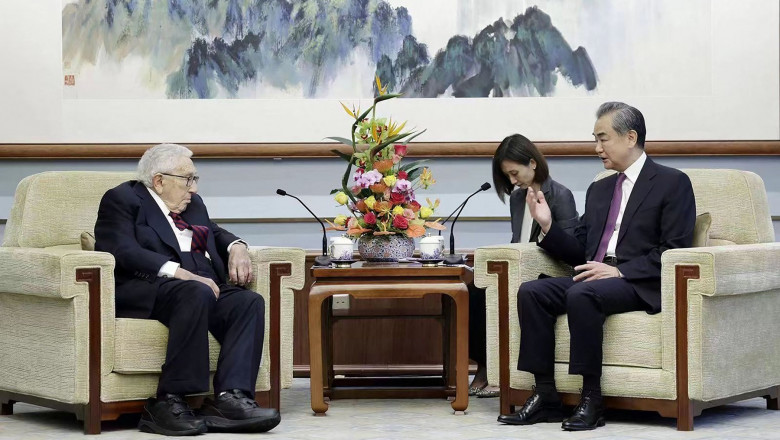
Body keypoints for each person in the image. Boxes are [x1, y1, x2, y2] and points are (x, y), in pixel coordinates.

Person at [497, 102, 696, 431]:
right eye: (595, 139)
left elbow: (675, 248)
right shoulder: (601, 188)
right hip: (595, 277)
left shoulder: (672, 183)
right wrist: (547, 226)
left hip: (638, 281)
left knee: (583, 294)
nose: (597, 147)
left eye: (603, 139)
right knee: (532, 292)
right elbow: (581, 251)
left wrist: (619, 271)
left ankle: (592, 398)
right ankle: (546, 396)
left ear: (630, 137)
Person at [94, 143, 280, 436]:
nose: (193, 188)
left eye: (195, 179)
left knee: (248, 301)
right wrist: (180, 273)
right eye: (187, 179)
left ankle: (229, 398)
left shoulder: (193, 204)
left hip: (203, 287)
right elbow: (119, 248)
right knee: (196, 291)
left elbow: (215, 232)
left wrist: (238, 246)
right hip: (152, 287)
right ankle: (168, 401)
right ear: (159, 180)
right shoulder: (124, 199)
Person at [468, 134, 578, 398]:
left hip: (548, 272)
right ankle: (485, 366)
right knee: (474, 290)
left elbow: (571, 248)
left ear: (533, 163)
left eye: (515, 173)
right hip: (519, 268)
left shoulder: (561, 195)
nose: (512, 181)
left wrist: (544, 227)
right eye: (507, 176)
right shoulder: (518, 199)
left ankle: (501, 375)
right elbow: (517, 240)